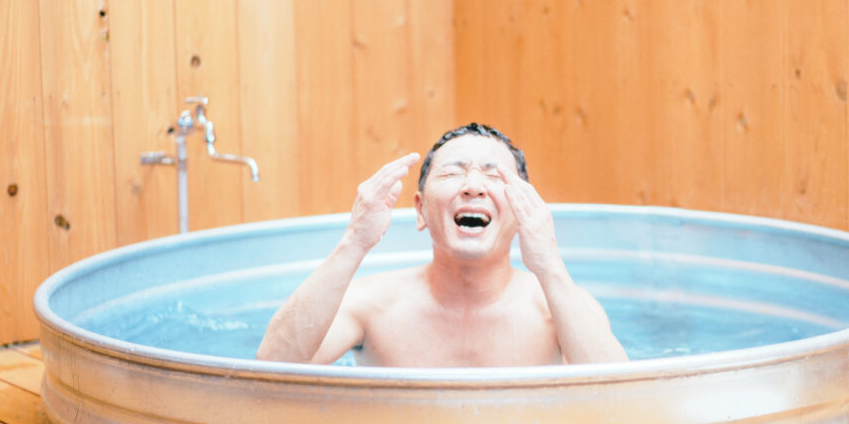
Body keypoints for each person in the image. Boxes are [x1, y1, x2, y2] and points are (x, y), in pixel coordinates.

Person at [256, 123, 627, 367]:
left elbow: (623, 400)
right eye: (452, 172)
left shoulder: (559, 310)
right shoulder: (372, 306)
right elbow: (270, 371)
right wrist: (354, 242)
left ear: (521, 209)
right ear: (420, 210)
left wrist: (549, 266)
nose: (473, 186)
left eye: (494, 174)